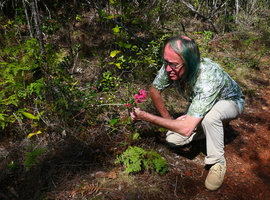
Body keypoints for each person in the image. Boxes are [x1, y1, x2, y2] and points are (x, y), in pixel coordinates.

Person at [130, 35, 245, 191]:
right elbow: (154, 91)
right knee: (173, 139)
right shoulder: (171, 65)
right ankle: (208, 128)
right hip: (202, 100)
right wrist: (170, 120)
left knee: (210, 118)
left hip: (230, 102)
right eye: (165, 62)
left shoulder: (207, 77)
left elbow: (185, 129)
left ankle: (217, 162)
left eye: (173, 64)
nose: (168, 69)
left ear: (189, 62)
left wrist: (146, 117)